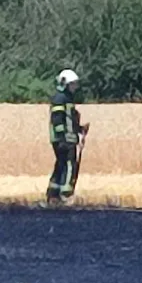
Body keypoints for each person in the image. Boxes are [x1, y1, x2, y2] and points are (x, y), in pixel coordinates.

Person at [46, 69, 88, 204]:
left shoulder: (66, 99)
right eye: (72, 84)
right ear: (65, 84)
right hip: (64, 139)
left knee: (61, 164)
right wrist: (62, 137)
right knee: (70, 164)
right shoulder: (60, 99)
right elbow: (57, 119)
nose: (75, 87)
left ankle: (53, 194)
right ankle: (66, 194)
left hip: (67, 138)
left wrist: (80, 129)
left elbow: (70, 120)